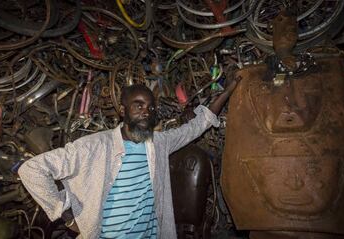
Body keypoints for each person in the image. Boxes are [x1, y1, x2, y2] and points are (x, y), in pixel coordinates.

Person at [18, 80, 238, 239]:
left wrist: (228, 89)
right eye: (139, 105)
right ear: (122, 111)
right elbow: (31, 170)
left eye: (151, 108)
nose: (146, 112)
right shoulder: (94, 146)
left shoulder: (158, 144)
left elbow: (197, 126)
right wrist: (67, 216)